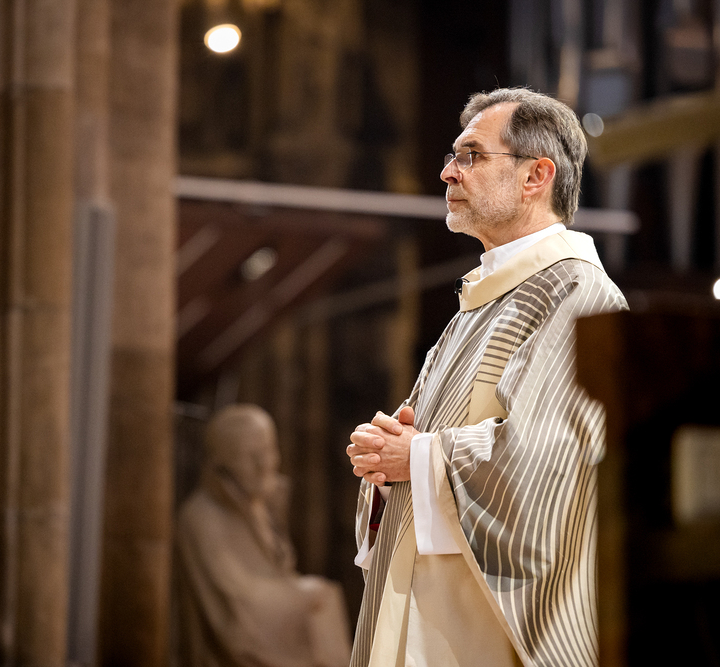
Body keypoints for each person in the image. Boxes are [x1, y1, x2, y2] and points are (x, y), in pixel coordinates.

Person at [344, 88, 627, 667]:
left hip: (484, 633)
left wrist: (416, 456)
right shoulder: (480, 304)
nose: (448, 172)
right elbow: (427, 454)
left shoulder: (576, 292)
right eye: (453, 156)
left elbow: (549, 463)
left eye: (471, 155)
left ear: (536, 176)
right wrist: (387, 463)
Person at [176, 404, 352, 667]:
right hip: (244, 618)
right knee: (320, 597)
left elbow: (281, 566)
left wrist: (274, 514)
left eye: (268, 451)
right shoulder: (200, 516)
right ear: (221, 464)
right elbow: (232, 601)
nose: (264, 465)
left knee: (322, 595)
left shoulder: (254, 503)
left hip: (268, 599)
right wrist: (301, 597)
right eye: (250, 456)